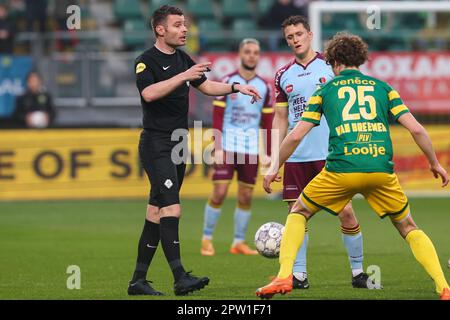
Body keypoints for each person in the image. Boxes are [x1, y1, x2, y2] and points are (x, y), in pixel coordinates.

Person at [257, 32, 450, 300]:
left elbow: (297, 134)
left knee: (299, 211)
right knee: (408, 226)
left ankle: (285, 276)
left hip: (342, 170)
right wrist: (434, 163)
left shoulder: (324, 91)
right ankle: (443, 287)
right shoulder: (384, 88)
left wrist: (274, 165)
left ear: (334, 61)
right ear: (360, 58)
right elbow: (417, 130)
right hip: (380, 170)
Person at [128, 5, 262, 297]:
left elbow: (206, 86)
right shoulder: (145, 61)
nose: (185, 29)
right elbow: (148, 94)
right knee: (172, 208)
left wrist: (237, 88)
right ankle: (179, 278)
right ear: (160, 29)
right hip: (156, 143)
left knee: (155, 212)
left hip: (178, 143)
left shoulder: (182, 59)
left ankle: (138, 281)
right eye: (178, 25)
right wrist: (183, 75)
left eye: (185, 24)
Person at [272, 15, 372, 289]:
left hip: (330, 153)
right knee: (296, 214)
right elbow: (280, 119)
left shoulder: (330, 67)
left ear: (310, 34)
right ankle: (300, 275)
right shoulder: (282, 74)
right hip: (296, 156)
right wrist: (275, 157)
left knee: (347, 211)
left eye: (299, 34)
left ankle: (358, 272)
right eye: (290, 37)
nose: (295, 40)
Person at [201, 38, 273, 256]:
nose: (252, 55)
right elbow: (218, 115)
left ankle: (238, 242)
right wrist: (218, 146)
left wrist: (268, 152)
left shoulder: (265, 87)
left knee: (245, 197)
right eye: (248, 51)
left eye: (255, 52)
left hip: (251, 149)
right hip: (228, 145)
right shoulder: (228, 81)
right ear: (240, 55)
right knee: (220, 192)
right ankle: (207, 238)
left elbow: (268, 122)